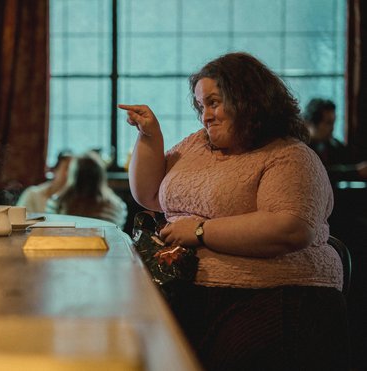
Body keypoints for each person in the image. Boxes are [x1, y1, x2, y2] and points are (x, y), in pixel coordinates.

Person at [119, 52, 347, 370]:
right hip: (189, 290)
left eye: (214, 103)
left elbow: (290, 227)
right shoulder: (195, 146)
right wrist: (149, 136)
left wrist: (199, 232)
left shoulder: (289, 156)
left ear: (248, 100)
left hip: (274, 297)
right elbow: (150, 194)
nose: (205, 116)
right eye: (201, 106)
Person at [45, 151, 127, 228]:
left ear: (73, 175)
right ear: (100, 176)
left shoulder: (56, 203)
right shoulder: (117, 207)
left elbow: (53, 231)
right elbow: (116, 235)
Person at [303, 98, 367, 183]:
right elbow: (319, 173)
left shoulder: (335, 146)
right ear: (310, 123)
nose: (332, 128)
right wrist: (356, 171)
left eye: (333, 123)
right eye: (328, 123)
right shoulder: (302, 149)